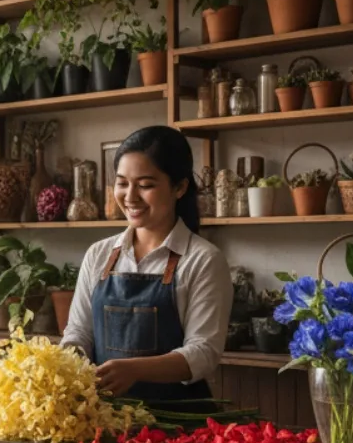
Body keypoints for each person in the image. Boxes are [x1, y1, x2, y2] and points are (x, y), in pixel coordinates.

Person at [60, 125, 230, 407]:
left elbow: (203, 353)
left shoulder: (203, 260)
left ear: (180, 187)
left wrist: (134, 370)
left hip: (179, 423)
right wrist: (62, 366)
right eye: (122, 183)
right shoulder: (99, 254)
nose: (130, 196)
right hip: (105, 417)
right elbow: (79, 332)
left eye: (146, 185)